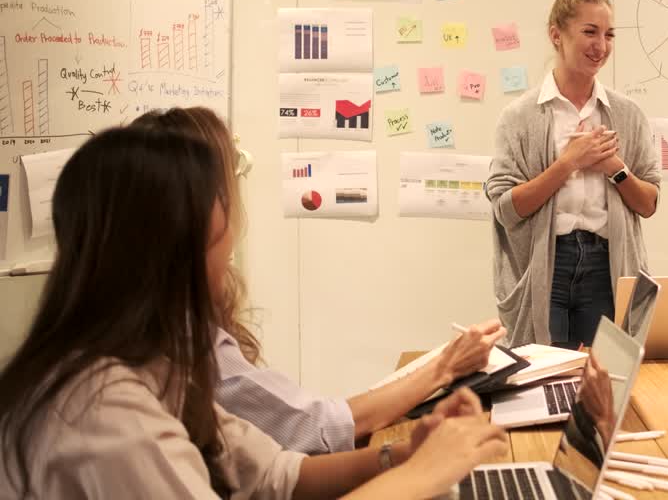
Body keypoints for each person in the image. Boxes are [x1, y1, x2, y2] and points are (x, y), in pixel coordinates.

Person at [0, 126, 506, 498]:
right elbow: (314, 432)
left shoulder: (157, 360)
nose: (229, 266)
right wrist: (421, 475)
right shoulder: (102, 412)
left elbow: (274, 475)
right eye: (219, 244)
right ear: (172, 256)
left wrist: (401, 455)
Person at [131, 107, 507, 454]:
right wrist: (444, 368)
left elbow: (285, 464)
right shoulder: (190, 344)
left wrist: (401, 452)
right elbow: (316, 428)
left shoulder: (156, 324)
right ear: (199, 216)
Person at [487, 0, 661, 348]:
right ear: (556, 35)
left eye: (609, 35)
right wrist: (568, 163)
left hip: (607, 264)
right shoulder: (519, 117)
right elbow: (506, 209)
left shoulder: (627, 114)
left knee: (603, 372)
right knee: (541, 371)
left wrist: (615, 168)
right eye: (589, 32)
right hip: (545, 263)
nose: (601, 45)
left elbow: (649, 203)